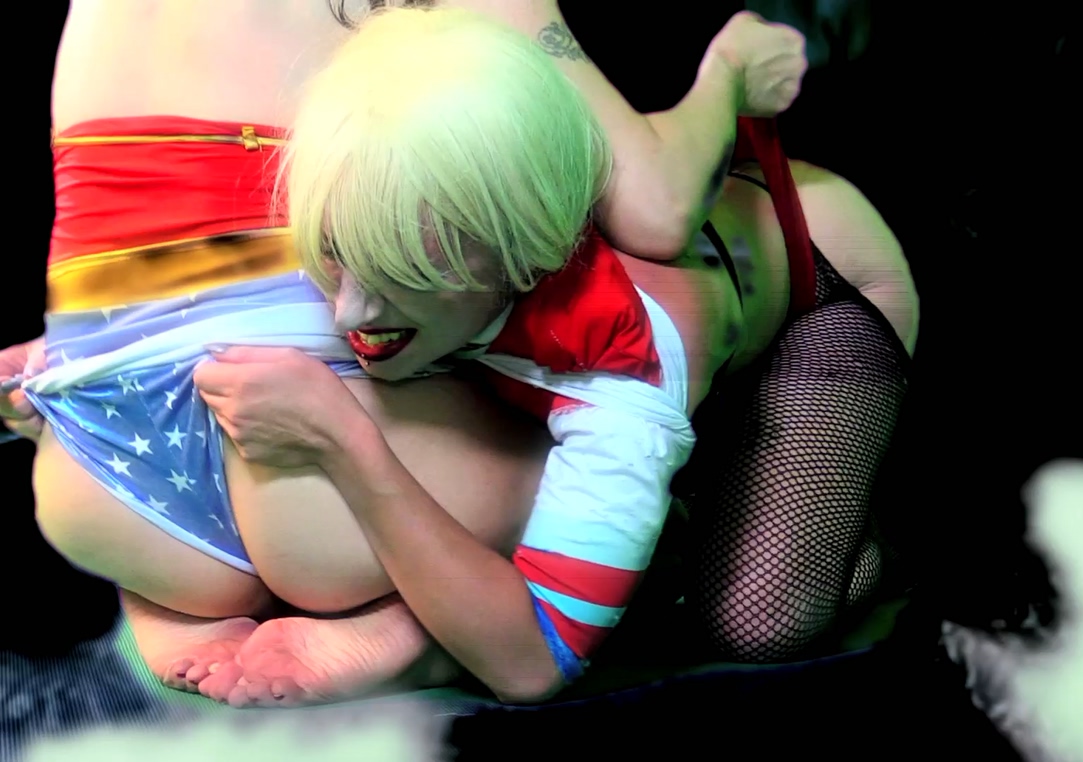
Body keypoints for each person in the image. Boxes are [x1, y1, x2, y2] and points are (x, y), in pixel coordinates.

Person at [0, 0, 807, 706]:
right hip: (315, 486)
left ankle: (176, 604)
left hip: (99, 473)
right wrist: (729, 70)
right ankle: (422, 633)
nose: (353, 308)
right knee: (627, 445)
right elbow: (657, 207)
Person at [188, 6, 917, 707]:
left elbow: (533, 665)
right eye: (336, 252)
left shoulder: (620, 377)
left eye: (404, 274)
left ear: (525, 261)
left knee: (756, 618)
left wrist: (341, 438)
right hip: (638, 236)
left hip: (823, 283)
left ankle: (844, 532)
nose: (349, 313)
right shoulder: (395, 174)